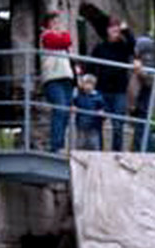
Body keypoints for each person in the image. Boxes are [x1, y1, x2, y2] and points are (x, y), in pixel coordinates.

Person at [88, 17, 135, 152]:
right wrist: (89, 83)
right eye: (111, 27)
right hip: (101, 90)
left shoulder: (124, 46)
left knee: (118, 124)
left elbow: (133, 46)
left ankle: (116, 153)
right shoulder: (100, 47)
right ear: (107, 30)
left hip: (119, 91)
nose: (114, 30)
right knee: (98, 122)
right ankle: (99, 151)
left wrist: (126, 31)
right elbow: (91, 66)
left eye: (117, 27)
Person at [39, 11, 75, 153]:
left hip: (66, 78)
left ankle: (59, 144)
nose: (57, 25)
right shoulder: (46, 36)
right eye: (53, 22)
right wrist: (64, 33)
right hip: (53, 79)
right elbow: (66, 41)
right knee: (60, 109)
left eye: (58, 22)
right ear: (47, 24)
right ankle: (56, 146)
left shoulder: (58, 37)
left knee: (65, 113)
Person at [128, 34, 155, 152]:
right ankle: (136, 150)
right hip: (140, 98)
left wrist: (140, 71)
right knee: (140, 127)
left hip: (146, 98)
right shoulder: (139, 60)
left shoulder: (148, 60)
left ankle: (152, 153)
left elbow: (149, 80)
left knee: (142, 127)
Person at [72, 74, 106, 151]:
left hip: (94, 126)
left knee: (94, 144)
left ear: (94, 85)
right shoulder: (79, 96)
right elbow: (74, 103)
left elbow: (103, 108)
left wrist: (102, 113)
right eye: (86, 83)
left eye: (90, 84)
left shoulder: (98, 97)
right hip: (81, 124)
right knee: (80, 143)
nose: (88, 86)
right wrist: (74, 107)